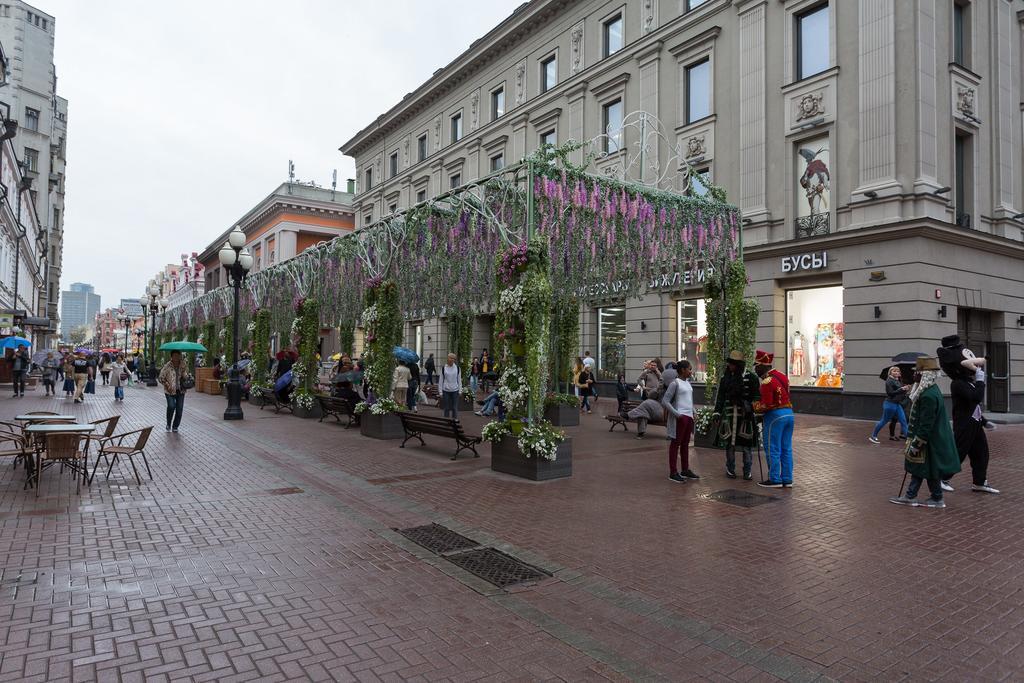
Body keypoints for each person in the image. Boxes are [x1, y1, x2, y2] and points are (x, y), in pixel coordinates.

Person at [890, 356, 961, 508]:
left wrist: (918, 442)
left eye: (917, 373)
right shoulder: (929, 391)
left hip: (927, 440)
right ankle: (933, 497)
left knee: (923, 467)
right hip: (928, 439)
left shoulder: (928, 395)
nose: (914, 375)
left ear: (925, 375)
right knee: (926, 468)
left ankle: (915, 496)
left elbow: (926, 423)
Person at [937, 335, 1000, 494]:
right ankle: (942, 479)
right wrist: (980, 381)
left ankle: (979, 482)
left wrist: (984, 421)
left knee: (982, 453)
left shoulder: (967, 381)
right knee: (959, 452)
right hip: (964, 424)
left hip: (975, 423)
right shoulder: (958, 384)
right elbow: (976, 397)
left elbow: (974, 405)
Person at [714, 351, 760, 480]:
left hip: (745, 416)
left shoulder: (751, 378)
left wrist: (751, 408)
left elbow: (756, 397)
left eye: (732, 364)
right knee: (730, 444)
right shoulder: (725, 378)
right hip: (729, 415)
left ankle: (747, 470)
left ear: (738, 365)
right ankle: (730, 469)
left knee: (746, 445)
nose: (730, 366)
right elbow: (721, 397)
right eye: (729, 364)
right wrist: (717, 412)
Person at [752, 349, 794, 488]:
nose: (756, 369)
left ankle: (775, 478)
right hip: (789, 414)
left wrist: (755, 407)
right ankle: (787, 478)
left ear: (763, 365)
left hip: (775, 416)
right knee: (786, 448)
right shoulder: (782, 376)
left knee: (773, 447)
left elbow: (767, 404)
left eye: (757, 366)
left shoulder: (766, 381)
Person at [662, 360, 699, 483]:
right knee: (675, 444)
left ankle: (685, 469)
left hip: (688, 417)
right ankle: (673, 472)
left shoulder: (688, 383)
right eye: (689, 369)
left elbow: (689, 400)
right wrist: (677, 414)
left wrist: (694, 411)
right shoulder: (675, 383)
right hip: (680, 417)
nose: (690, 371)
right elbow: (665, 401)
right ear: (683, 370)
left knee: (685, 444)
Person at [869, 366, 910, 444]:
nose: (896, 372)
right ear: (890, 373)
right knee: (884, 420)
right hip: (890, 404)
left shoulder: (898, 381)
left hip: (897, 404)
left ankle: (908, 440)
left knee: (903, 421)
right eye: (894, 371)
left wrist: (905, 389)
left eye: (897, 371)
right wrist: (901, 389)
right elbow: (890, 393)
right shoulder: (889, 381)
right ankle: (873, 436)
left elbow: (900, 393)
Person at [159, 350, 191, 432]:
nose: (176, 357)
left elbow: (186, 377)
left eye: (178, 356)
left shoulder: (183, 365)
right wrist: (167, 385)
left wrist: (185, 373)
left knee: (179, 409)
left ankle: (175, 426)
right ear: (171, 357)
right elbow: (161, 378)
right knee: (171, 406)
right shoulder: (167, 366)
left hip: (181, 391)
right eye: (175, 356)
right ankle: (168, 424)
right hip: (169, 391)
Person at [439, 352, 462, 419]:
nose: (452, 360)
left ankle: (454, 421)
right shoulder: (444, 368)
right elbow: (441, 380)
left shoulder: (457, 368)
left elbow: (459, 380)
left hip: (455, 390)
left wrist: (460, 391)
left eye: (453, 358)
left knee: (455, 408)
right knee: (446, 407)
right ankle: (446, 421)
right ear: (447, 359)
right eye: (451, 358)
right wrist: (440, 392)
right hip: (446, 390)